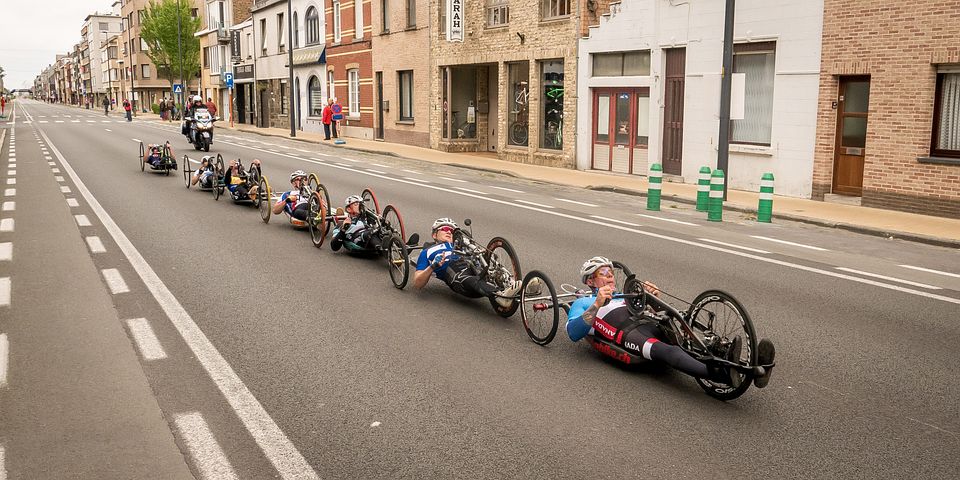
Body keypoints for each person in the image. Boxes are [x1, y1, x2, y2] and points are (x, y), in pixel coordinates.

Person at [564, 256, 776, 389]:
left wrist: (652, 298)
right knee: (670, 352)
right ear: (590, 281)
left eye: (611, 272)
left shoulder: (624, 295)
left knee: (685, 338)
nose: (610, 276)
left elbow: (654, 311)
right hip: (629, 336)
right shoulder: (583, 302)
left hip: (650, 323)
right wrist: (597, 304)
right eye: (603, 273)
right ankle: (724, 375)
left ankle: (735, 357)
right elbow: (573, 332)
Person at [412, 218, 521, 307]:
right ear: (434, 235)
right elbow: (418, 283)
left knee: (492, 270)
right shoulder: (427, 252)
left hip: (473, 266)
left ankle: (523, 287)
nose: (449, 231)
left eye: (452, 231)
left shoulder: (462, 245)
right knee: (463, 275)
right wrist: (432, 266)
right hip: (456, 274)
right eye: (445, 228)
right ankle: (499, 296)